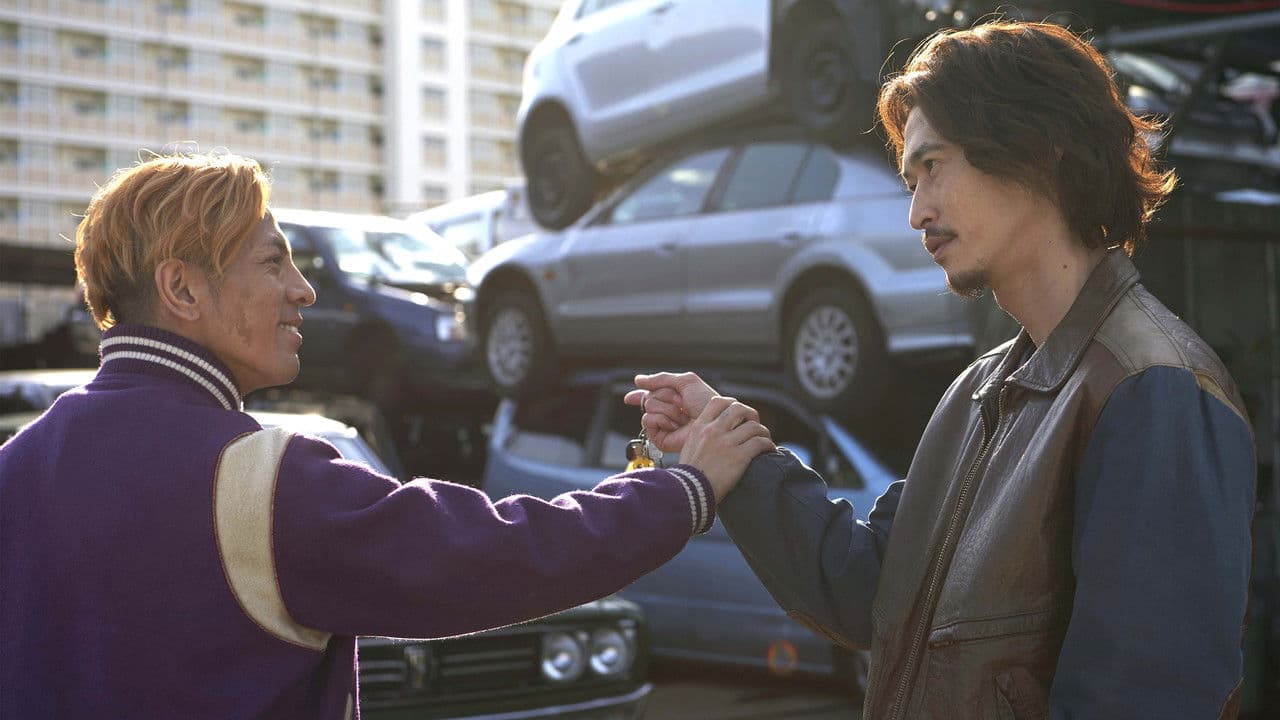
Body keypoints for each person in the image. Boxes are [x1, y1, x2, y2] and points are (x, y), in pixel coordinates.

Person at [627, 20, 1256, 719]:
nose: (916, 212)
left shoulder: (1153, 390)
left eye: (933, 167)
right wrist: (734, 453)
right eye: (910, 180)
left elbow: (1143, 699)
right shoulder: (978, 391)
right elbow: (870, 592)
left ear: (1039, 149)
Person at [0, 152, 774, 718]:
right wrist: (685, 487)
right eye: (273, 263)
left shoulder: (16, 466)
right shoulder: (256, 481)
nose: (304, 290)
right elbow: (495, 553)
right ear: (181, 288)